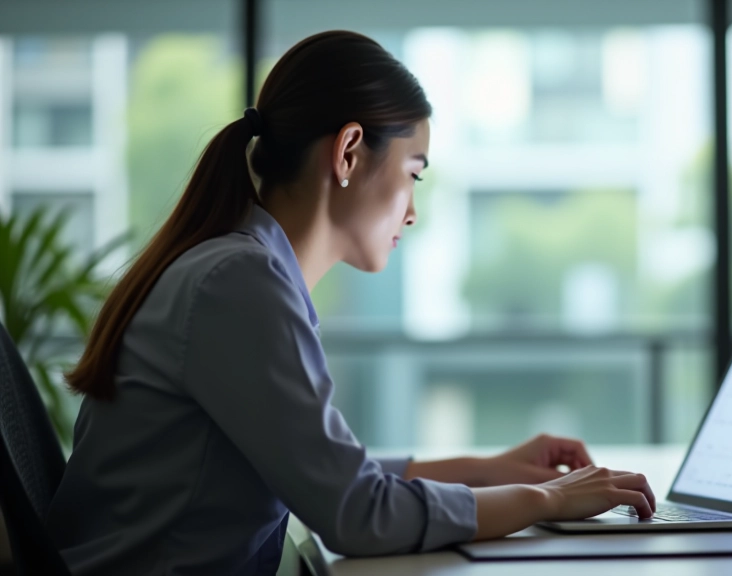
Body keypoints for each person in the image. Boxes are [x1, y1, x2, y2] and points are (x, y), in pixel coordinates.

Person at [46, 31, 655, 575]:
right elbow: (357, 514)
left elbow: (333, 474)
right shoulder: (239, 284)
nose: (413, 211)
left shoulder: (238, 269)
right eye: (413, 173)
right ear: (348, 152)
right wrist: (548, 500)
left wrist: (489, 467)